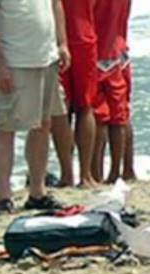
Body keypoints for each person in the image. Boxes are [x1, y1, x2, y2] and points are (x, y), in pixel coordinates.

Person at [0, 0, 69, 214]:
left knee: (43, 125)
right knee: (4, 130)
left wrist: (62, 43)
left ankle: (37, 192)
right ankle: (2, 195)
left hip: (47, 57)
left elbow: (56, 4)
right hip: (15, 59)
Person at [55, 0, 99, 188]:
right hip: (85, 35)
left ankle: (67, 174)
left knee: (61, 108)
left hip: (57, 38)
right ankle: (85, 175)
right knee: (85, 106)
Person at [92, 0, 132, 184]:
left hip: (99, 51)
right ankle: (122, 170)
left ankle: (96, 172)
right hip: (120, 51)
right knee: (121, 115)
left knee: (99, 116)